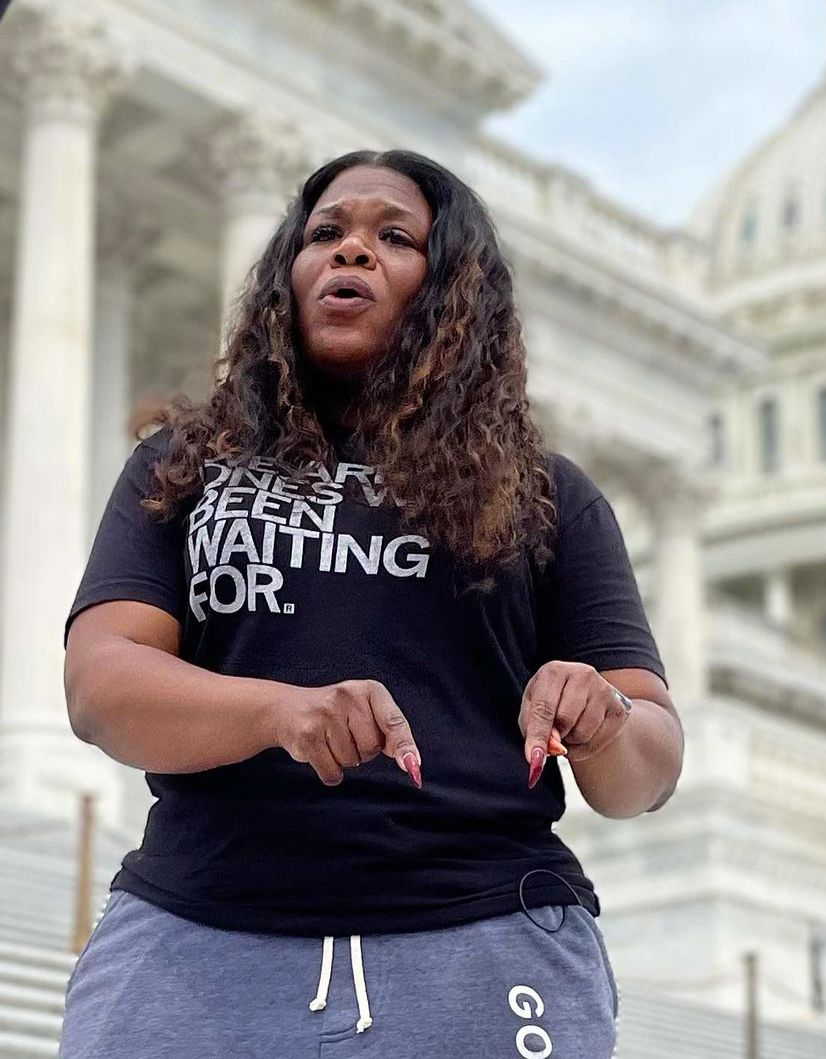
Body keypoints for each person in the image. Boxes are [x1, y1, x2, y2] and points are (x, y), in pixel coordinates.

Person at [59, 148, 683, 1058]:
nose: (351, 252)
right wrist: (280, 711)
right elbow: (100, 687)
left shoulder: (549, 495)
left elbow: (648, 772)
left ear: (452, 293)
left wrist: (606, 714)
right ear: (287, 276)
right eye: (326, 234)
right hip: (195, 948)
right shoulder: (183, 469)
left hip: (482, 946)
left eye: (394, 237)